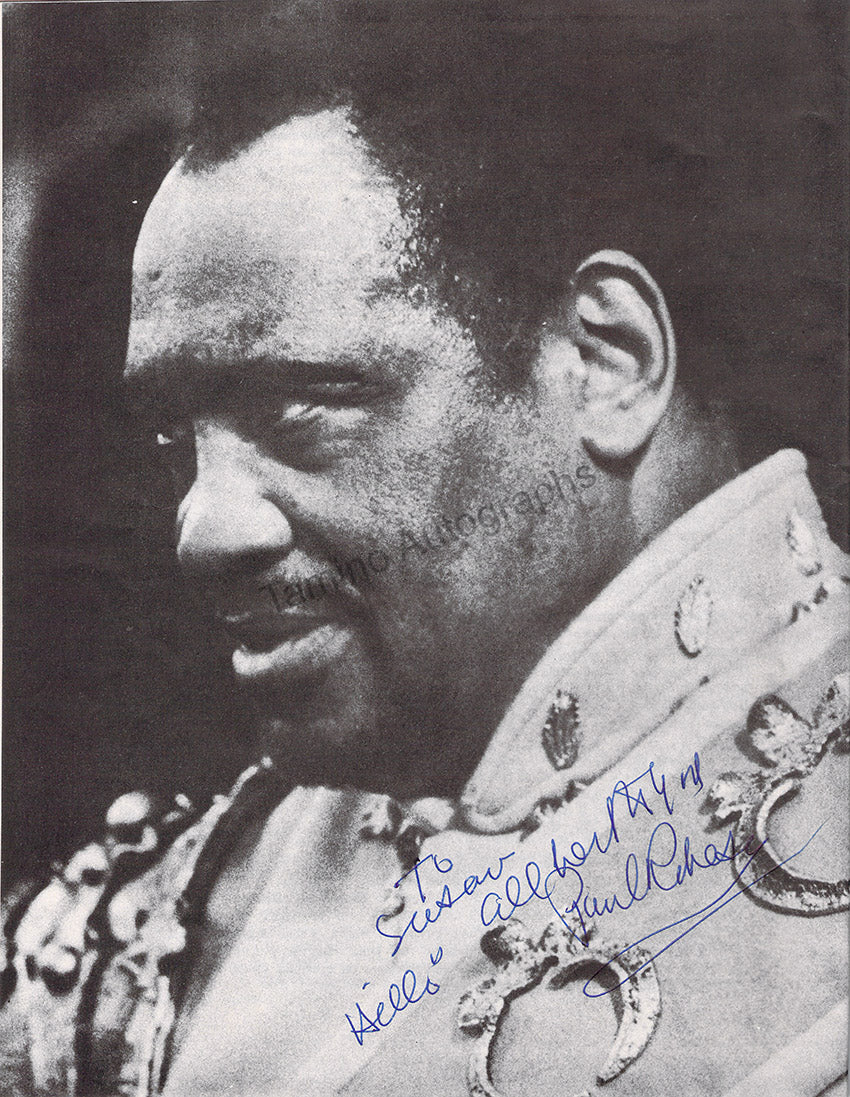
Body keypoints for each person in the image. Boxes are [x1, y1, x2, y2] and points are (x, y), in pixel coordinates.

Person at [3, 5, 847, 1095]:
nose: (203, 527)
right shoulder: (165, 915)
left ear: (606, 361)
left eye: (306, 403)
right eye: (176, 439)